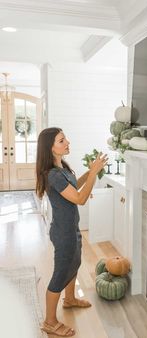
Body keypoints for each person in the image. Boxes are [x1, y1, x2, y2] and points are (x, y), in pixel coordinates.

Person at [36, 127, 107, 337]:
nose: (67, 142)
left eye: (65, 138)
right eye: (61, 140)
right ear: (50, 148)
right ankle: (49, 322)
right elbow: (80, 198)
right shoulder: (53, 175)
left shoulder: (62, 168)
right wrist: (94, 173)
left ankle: (70, 299)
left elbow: (75, 185)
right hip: (64, 233)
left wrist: (91, 169)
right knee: (60, 274)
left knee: (74, 264)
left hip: (71, 228)